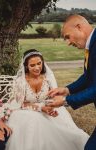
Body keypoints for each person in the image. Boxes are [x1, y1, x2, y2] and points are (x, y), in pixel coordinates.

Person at [4, 49, 89, 150]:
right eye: (32, 65)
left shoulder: (47, 79)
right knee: (34, 120)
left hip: (47, 109)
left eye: (39, 63)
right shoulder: (20, 82)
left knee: (69, 134)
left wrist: (50, 107)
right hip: (25, 111)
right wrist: (41, 108)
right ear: (26, 66)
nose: (37, 68)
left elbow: (54, 97)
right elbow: (20, 104)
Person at [47, 14, 96, 150]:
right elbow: (88, 77)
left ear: (79, 27)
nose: (68, 43)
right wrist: (67, 89)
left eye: (67, 36)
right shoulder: (91, 45)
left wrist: (65, 100)